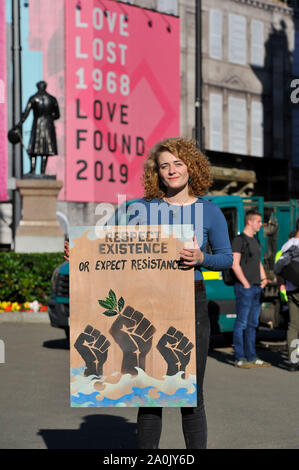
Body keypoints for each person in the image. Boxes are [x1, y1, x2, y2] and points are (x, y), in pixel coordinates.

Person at [65, 137, 233, 449]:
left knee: (190, 393)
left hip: (190, 304)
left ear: (192, 167)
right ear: (156, 173)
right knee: (149, 392)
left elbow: (225, 258)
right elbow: (109, 249)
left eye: (178, 164)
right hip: (146, 302)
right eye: (164, 166)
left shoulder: (210, 212)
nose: (171, 170)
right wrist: (79, 251)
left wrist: (202, 258)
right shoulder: (140, 209)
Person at [231, 210, 270, 368]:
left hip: (256, 287)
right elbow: (235, 263)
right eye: (259, 222)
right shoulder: (239, 240)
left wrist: (264, 278)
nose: (261, 225)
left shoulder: (255, 240)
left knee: (253, 324)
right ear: (250, 222)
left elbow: (257, 261)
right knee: (241, 323)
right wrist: (245, 283)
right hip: (244, 288)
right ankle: (240, 358)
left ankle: (252, 356)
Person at [18, 80, 60, 175]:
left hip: (37, 124)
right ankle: (42, 172)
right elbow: (57, 115)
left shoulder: (33, 98)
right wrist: (49, 117)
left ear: (38, 87)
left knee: (34, 148)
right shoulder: (52, 99)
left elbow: (26, 114)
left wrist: (19, 123)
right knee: (45, 150)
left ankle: (33, 170)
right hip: (48, 126)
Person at [274, 220, 299, 371]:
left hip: (291, 291)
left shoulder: (286, 246)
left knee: (293, 326)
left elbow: (278, 270)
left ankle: (294, 360)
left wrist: (282, 286)